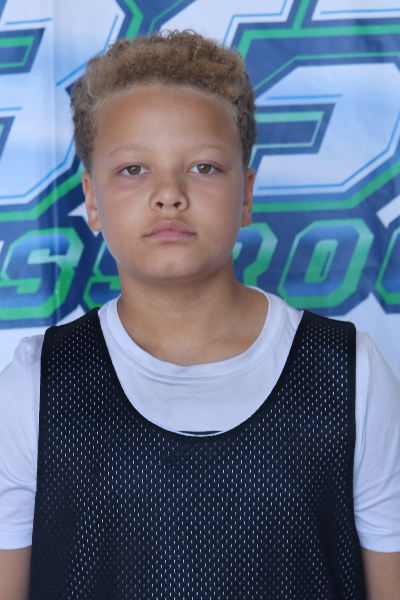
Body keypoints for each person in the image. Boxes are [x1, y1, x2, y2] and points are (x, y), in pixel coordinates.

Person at [0, 30, 399, 600]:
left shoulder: (348, 373)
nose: (169, 194)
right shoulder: (37, 383)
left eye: (204, 167)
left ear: (246, 194)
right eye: (133, 169)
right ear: (91, 199)